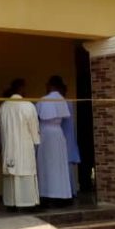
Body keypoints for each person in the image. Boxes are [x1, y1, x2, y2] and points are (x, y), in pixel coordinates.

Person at [0, 78, 41, 211]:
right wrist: (36, 141)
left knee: (11, 174)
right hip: (24, 146)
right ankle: (27, 203)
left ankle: (11, 203)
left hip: (9, 146)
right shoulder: (27, 105)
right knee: (24, 171)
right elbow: (34, 127)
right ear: (21, 89)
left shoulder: (3, 106)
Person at [36, 75, 73, 206]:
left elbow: (37, 116)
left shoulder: (43, 100)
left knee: (47, 165)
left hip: (46, 134)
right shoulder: (62, 99)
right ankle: (61, 195)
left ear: (51, 85)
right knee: (59, 165)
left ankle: (47, 195)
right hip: (58, 133)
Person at [59, 84, 82, 195]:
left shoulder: (65, 103)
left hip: (64, 136)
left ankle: (69, 192)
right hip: (68, 136)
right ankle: (71, 191)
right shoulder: (69, 103)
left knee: (66, 167)